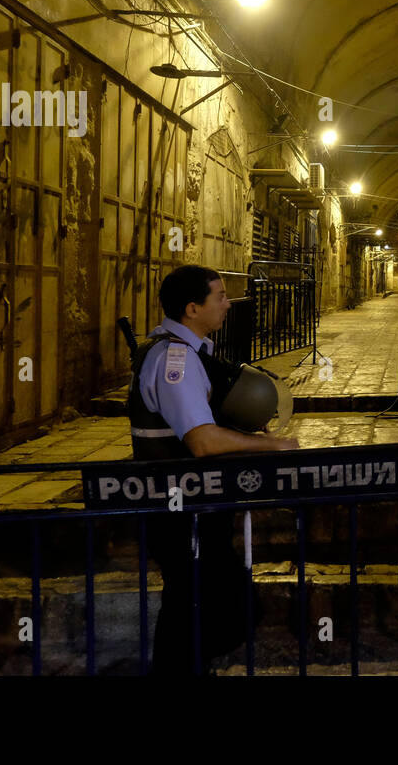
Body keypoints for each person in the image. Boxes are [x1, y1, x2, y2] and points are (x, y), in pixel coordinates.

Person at [128, 264, 300, 674]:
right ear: (192, 308)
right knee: (198, 606)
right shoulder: (176, 360)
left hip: (192, 505)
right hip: (183, 510)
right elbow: (202, 440)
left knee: (205, 605)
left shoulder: (183, 351)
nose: (228, 304)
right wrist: (269, 445)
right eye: (220, 296)